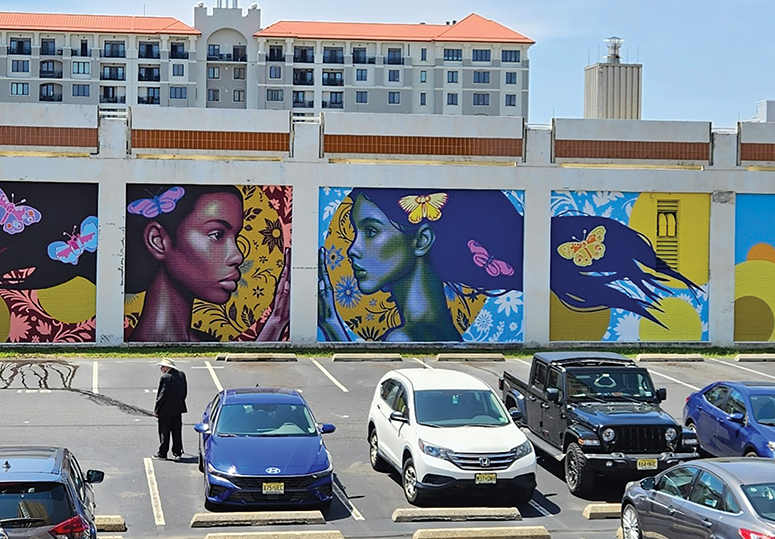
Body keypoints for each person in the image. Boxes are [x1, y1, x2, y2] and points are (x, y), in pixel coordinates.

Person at [318, 188, 701, 342]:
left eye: (370, 231)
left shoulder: (402, 337)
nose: (352, 249)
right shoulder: (438, 327)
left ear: (421, 239)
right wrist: (333, 324)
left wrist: (332, 326)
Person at [126, 184, 290, 342]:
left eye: (236, 237)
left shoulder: (206, 341)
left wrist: (276, 321)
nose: (237, 256)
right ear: (159, 241)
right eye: (217, 235)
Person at [153, 357, 187, 460]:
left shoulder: (165, 378)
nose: (161, 369)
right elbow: (184, 391)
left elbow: (161, 395)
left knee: (164, 432)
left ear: (167, 367)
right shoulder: (181, 375)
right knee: (177, 432)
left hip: (165, 411)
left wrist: (157, 410)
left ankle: (162, 453)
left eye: (162, 366)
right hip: (178, 409)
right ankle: (177, 452)